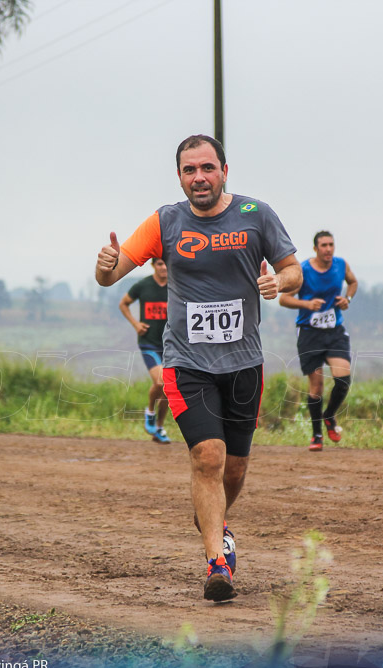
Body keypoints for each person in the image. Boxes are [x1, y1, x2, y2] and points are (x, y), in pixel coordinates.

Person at [95, 134, 302, 602]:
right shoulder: (165, 221)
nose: (199, 177)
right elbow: (111, 275)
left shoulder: (256, 215)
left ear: (224, 171)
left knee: (235, 469)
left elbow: (294, 270)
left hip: (244, 363)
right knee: (207, 456)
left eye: (207, 168)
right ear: (179, 177)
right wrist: (103, 266)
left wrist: (277, 280)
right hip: (187, 362)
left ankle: (218, 523)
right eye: (190, 170)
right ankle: (217, 564)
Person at [279, 231, 358, 451]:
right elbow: (284, 299)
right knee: (316, 386)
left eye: (331, 244)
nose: (328, 249)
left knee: (343, 380)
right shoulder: (303, 270)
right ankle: (316, 436)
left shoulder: (341, 265)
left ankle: (329, 416)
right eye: (323, 245)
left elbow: (352, 282)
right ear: (316, 248)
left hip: (334, 331)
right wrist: (307, 304)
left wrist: (347, 298)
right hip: (309, 333)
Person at [118, 257, 171, 444]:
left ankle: (159, 428)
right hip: (149, 342)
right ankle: (149, 411)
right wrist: (136, 324)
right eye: (159, 264)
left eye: (166, 263)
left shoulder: (176, 285)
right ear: (153, 265)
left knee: (168, 389)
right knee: (160, 382)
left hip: (171, 344)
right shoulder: (143, 285)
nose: (163, 267)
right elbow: (123, 303)